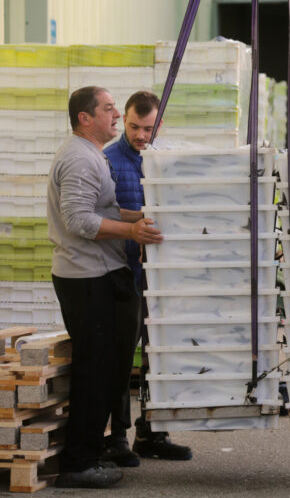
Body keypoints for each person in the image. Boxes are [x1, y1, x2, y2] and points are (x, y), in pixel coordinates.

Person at [47, 86, 163, 488]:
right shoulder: (80, 159)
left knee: (106, 369)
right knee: (94, 372)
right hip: (87, 279)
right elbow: (80, 220)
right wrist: (132, 229)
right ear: (85, 117)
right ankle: (78, 464)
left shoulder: (90, 154)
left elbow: (104, 209)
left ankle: (89, 454)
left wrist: (147, 216)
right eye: (110, 108)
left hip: (98, 275)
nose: (115, 114)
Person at [102, 91, 192, 464]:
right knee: (122, 359)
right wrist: (138, 220)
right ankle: (118, 437)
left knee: (159, 358)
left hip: (164, 278)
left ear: (160, 124)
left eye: (148, 128)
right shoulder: (107, 160)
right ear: (123, 120)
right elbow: (100, 214)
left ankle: (153, 433)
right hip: (123, 275)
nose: (141, 135)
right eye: (135, 126)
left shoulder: (167, 161)